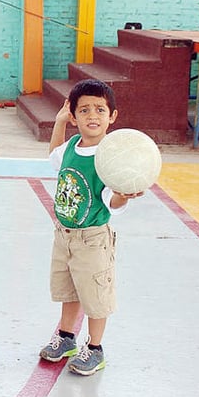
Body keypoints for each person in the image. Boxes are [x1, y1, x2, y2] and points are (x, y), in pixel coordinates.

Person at [38, 78, 143, 375]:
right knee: (68, 291)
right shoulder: (72, 145)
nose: (92, 116)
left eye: (100, 109)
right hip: (65, 235)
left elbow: (112, 202)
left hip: (93, 239)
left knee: (96, 298)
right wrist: (59, 122)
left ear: (112, 116)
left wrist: (122, 195)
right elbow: (54, 156)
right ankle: (66, 337)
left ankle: (95, 348)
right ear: (73, 116)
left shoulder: (110, 157)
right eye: (84, 110)